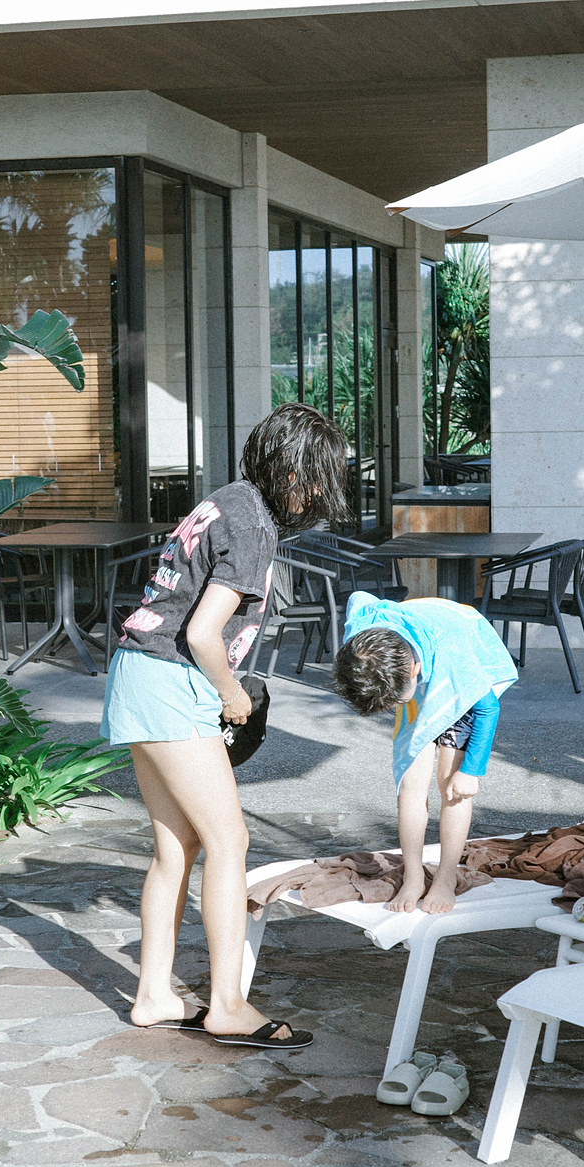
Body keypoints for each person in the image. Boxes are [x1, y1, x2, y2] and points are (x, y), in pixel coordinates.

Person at [103, 402, 353, 1049]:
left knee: (177, 846)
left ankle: (154, 995)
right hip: (171, 681)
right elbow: (202, 632)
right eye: (317, 480)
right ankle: (227, 1004)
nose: (319, 496)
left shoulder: (228, 501)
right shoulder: (253, 523)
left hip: (136, 673)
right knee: (229, 840)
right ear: (293, 472)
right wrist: (232, 694)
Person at [332, 592, 518, 914]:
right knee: (410, 784)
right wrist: (400, 696)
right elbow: (358, 597)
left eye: (395, 702)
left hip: (458, 648)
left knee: (453, 786)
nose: (391, 708)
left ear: (415, 669)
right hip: (415, 652)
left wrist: (472, 770)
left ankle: (446, 877)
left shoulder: (455, 659)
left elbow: (487, 708)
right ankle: (413, 876)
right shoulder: (360, 649)